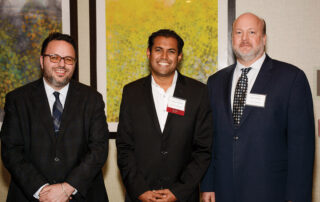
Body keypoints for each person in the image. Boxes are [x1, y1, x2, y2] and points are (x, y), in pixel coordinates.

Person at [200, 12, 315, 202]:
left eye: (251, 32)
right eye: (238, 32)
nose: (244, 39)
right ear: (232, 39)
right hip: (223, 191)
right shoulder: (215, 82)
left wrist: (297, 197)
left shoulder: (291, 79)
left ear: (263, 38)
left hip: (271, 191)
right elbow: (209, 139)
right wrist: (208, 185)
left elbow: (301, 147)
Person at [1, 32, 109, 202]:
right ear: (41, 61)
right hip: (30, 195)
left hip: (82, 195)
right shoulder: (18, 99)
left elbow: (99, 149)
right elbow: (11, 151)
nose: (62, 64)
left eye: (68, 59)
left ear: (74, 64)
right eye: (54, 57)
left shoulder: (92, 99)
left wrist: (67, 188)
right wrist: (42, 190)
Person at [116, 29, 213, 202]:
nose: (164, 56)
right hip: (140, 196)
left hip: (182, 196)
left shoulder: (198, 93)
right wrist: (140, 190)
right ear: (148, 53)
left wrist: (179, 191)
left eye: (171, 51)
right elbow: (124, 147)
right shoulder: (131, 92)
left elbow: (203, 150)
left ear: (180, 57)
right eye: (158, 50)